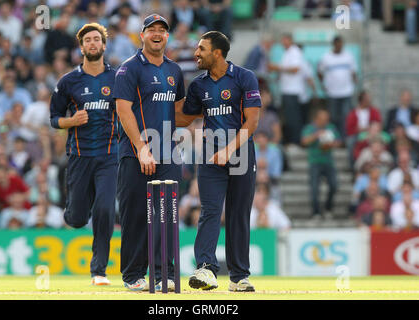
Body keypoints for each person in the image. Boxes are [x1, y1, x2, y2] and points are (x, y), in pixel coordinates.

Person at [179, 31, 261, 292]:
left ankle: (239, 277)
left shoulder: (244, 77)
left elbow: (252, 122)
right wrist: (153, 107)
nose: (196, 54)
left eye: (201, 49)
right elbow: (184, 118)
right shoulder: (198, 84)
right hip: (209, 158)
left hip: (241, 155)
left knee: (238, 214)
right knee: (210, 211)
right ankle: (205, 269)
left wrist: (229, 149)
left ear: (217, 52)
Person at [113, 14, 185, 292]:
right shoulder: (129, 69)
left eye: (162, 31)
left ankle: (164, 273)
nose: (157, 34)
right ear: (141, 35)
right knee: (136, 216)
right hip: (135, 154)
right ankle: (133, 275)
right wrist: (142, 149)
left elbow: (178, 112)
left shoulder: (174, 70)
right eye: (151, 30)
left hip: (168, 154)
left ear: (168, 37)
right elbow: (123, 109)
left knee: (167, 215)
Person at [49, 23, 119, 286]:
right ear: (81, 47)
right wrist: (72, 121)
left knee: (104, 209)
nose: (92, 43)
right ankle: (73, 212)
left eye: (96, 39)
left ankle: (98, 271)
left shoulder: (118, 78)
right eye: (87, 40)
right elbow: (54, 119)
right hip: (79, 156)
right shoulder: (68, 81)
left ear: (103, 45)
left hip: (109, 155)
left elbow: (128, 110)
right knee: (78, 219)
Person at [301, 108, 341, 219]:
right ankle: (316, 211)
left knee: (334, 185)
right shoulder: (310, 128)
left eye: (326, 119)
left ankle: (328, 208)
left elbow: (338, 142)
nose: (325, 122)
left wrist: (331, 144)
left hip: (328, 161)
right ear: (317, 119)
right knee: (314, 188)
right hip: (315, 162)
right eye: (323, 119)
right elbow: (304, 141)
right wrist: (317, 135)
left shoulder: (331, 128)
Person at [318, 35, 358, 140]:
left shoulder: (348, 56)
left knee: (346, 116)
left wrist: (355, 85)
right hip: (332, 92)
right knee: (334, 117)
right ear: (334, 45)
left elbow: (353, 72)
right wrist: (323, 85)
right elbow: (320, 72)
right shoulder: (326, 57)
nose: (339, 46)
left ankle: (345, 139)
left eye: (341, 44)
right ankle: (335, 138)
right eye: (337, 44)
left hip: (346, 91)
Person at [269, 34, 305, 145]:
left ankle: (295, 141)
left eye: (285, 40)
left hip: (293, 90)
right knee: (289, 118)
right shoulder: (287, 53)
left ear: (290, 40)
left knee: (293, 118)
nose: (283, 43)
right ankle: (292, 141)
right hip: (286, 89)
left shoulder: (295, 52)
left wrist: (278, 68)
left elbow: (295, 69)